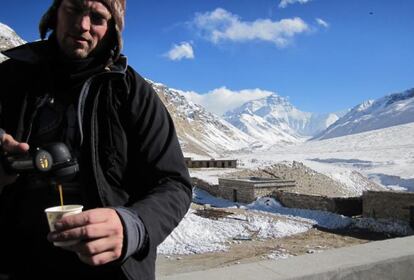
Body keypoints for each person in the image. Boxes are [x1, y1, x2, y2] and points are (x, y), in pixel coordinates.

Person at [0, 0, 192, 279]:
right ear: (55, 14)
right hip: (15, 263)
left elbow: (174, 183)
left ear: (113, 29)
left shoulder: (132, 92)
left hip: (109, 271)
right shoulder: (9, 78)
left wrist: (132, 227)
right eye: (74, 9)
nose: (83, 25)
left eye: (97, 17)